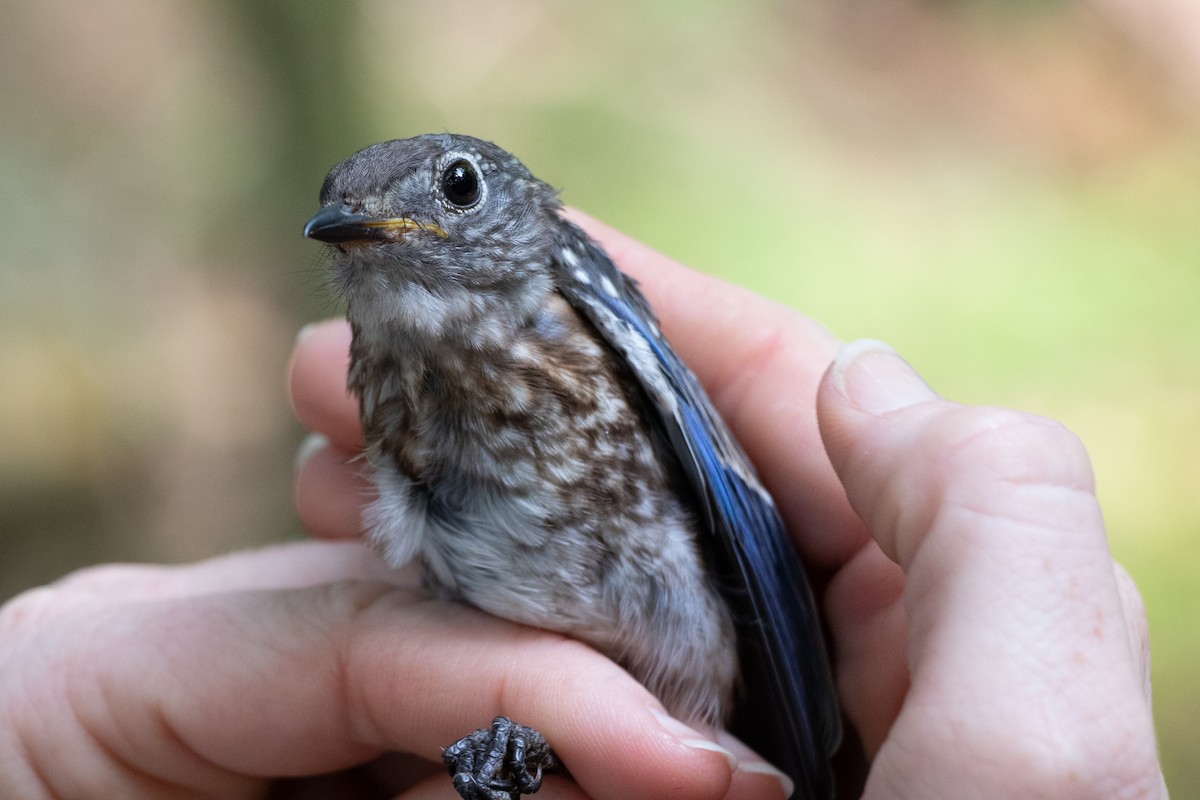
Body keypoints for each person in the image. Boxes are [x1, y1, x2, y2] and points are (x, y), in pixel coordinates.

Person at [0, 214, 1165, 799]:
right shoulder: (382, 366)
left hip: (715, 674)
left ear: (521, 218)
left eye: (451, 192)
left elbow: (731, 520)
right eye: (356, 219)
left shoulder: (577, 295)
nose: (390, 225)